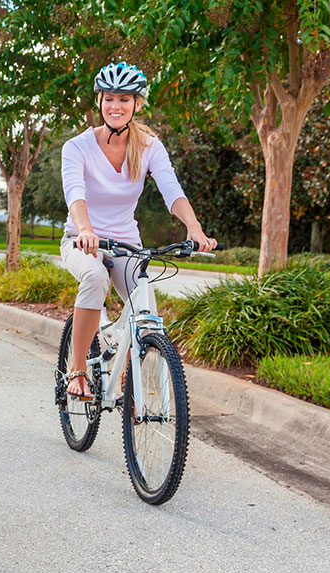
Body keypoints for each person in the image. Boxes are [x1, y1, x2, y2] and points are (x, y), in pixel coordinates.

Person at [60, 62, 218, 399]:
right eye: (109, 99)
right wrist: (86, 229)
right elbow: (75, 194)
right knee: (95, 278)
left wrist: (194, 228)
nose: (115, 106)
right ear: (99, 101)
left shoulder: (149, 147)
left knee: (144, 312)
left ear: (137, 104)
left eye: (124, 99)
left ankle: (127, 386)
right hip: (81, 239)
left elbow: (172, 191)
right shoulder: (77, 147)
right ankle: (77, 372)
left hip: (126, 242)